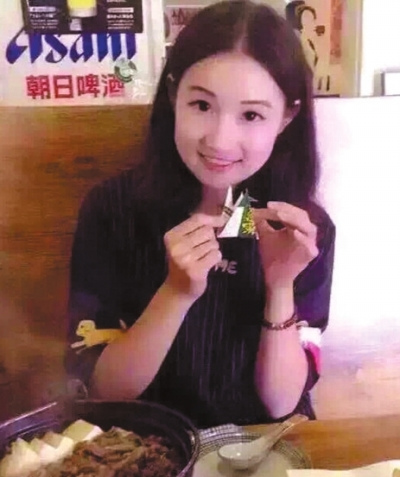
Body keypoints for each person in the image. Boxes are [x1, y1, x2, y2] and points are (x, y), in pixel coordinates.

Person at [65, 0, 336, 428]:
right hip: (149, 443)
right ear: (174, 94)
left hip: (256, 447)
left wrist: (280, 284)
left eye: (251, 115)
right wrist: (175, 292)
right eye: (202, 106)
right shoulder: (113, 210)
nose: (220, 141)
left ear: (287, 117)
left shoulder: (301, 231)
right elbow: (106, 391)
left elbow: (280, 403)